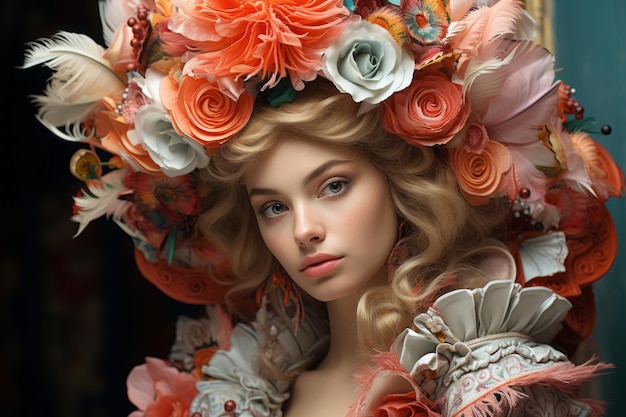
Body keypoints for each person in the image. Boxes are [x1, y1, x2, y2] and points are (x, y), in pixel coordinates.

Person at [22, 0, 625, 416]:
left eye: (333, 186)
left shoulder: (493, 389)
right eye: (273, 208)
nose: (305, 230)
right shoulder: (240, 392)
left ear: (399, 185)